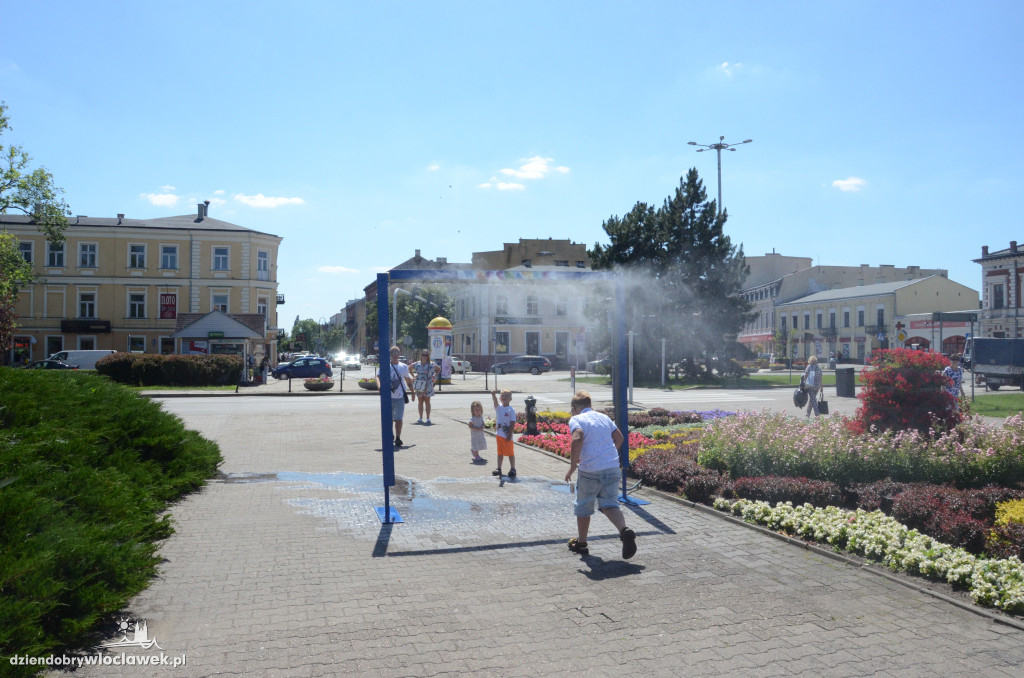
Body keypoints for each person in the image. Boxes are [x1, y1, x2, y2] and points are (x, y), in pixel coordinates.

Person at [563, 391, 637, 559]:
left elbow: (577, 437)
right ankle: (624, 531)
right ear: (590, 406)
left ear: (574, 408)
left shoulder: (576, 419)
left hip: (590, 470)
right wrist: (606, 455)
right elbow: (619, 438)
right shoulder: (604, 418)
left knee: (583, 506)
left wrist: (572, 467)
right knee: (609, 504)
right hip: (612, 467)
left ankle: (582, 543)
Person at [376, 346, 414, 447]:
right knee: (389, 419)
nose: (395, 354)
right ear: (390, 354)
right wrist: (379, 386)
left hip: (400, 397)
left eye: (396, 352)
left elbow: (407, 380)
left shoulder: (403, 366)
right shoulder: (385, 365)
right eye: (393, 353)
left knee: (399, 419)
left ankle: (398, 437)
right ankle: (390, 435)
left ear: (400, 354)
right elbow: (378, 377)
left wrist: (413, 392)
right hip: (388, 398)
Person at [490, 389, 517, 477]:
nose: (504, 397)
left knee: (510, 453)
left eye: (506, 396)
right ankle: (499, 468)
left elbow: (512, 422)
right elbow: (495, 402)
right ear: (500, 398)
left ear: (510, 399)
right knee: (500, 452)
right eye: (502, 395)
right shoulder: (499, 408)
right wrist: (493, 395)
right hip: (499, 435)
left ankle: (513, 469)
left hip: (507, 436)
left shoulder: (511, 410)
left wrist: (510, 434)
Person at [411, 350, 440, 424]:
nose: (424, 356)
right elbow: (409, 368)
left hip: (428, 383)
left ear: (428, 356)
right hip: (419, 383)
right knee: (420, 401)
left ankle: (428, 418)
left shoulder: (431, 364)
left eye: (426, 355)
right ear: (421, 355)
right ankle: (420, 418)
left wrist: (434, 375)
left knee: (427, 401)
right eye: (423, 355)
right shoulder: (417, 364)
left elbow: (439, 369)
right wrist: (413, 376)